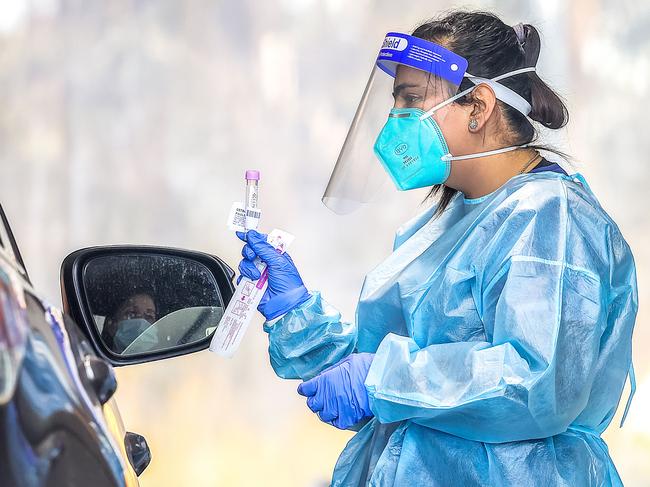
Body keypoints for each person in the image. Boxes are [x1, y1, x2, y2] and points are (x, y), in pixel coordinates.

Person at [238, 11, 637, 486]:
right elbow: (390, 367)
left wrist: (380, 380)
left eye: (412, 100)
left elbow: (535, 384)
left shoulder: (549, 220)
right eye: (395, 102)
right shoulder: (444, 223)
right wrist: (298, 314)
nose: (396, 121)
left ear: (479, 106)